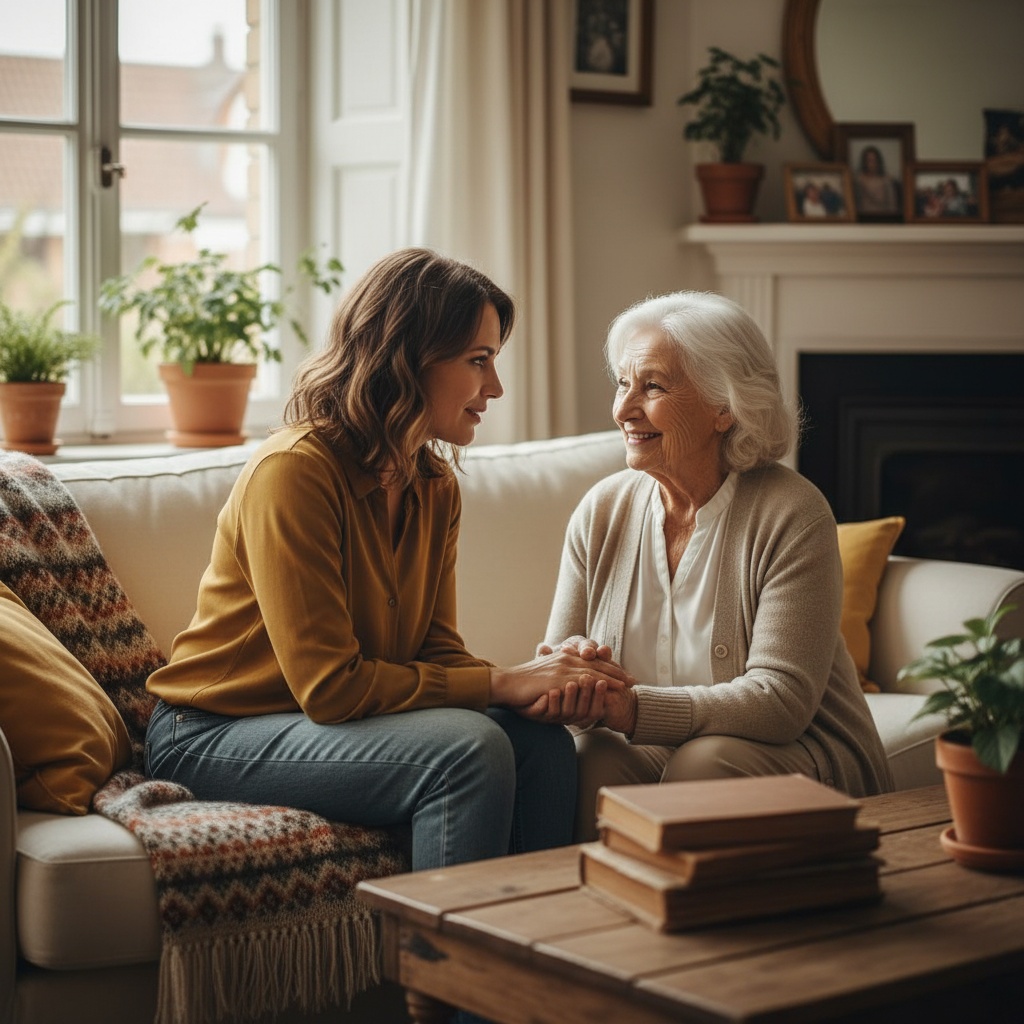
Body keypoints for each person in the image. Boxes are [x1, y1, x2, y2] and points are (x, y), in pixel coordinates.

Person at [144, 247, 632, 870]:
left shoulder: (434, 485)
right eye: (478, 361)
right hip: (211, 735)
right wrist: (503, 683)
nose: (495, 387)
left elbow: (434, 652)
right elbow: (330, 688)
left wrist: (537, 690)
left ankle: (529, 955)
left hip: (313, 725)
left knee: (541, 745)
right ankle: (444, 966)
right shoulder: (293, 473)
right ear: (408, 359)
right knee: (469, 749)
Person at [536, 290, 894, 841]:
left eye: (652, 386)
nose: (623, 408)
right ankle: (597, 917)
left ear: (724, 406)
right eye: (622, 383)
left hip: (801, 755)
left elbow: (780, 703)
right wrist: (574, 672)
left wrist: (632, 709)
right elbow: (561, 666)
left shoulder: (792, 511)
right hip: (659, 752)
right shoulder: (602, 510)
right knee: (595, 760)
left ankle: (704, 923)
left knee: (705, 764)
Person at [853, 144, 901, 216]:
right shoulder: (858, 180)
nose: (872, 164)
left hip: (884, 218)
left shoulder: (886, 180)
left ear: (878, 161)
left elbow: (892, 205)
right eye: (869, 160)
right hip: (863, 218)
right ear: (864, 162)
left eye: (874, 160)